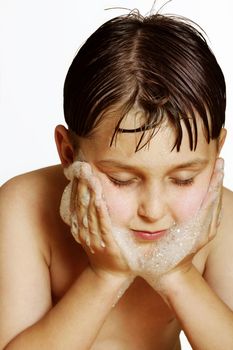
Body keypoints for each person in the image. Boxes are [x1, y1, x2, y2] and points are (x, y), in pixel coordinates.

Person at [0, 10, 233, 350]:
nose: (153, 210)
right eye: (122, 179)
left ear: (216, 157)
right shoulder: (23, 207)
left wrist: (176, 275)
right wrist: (105, 276)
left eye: (183, 179)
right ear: (68, 154)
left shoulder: (221, 220)